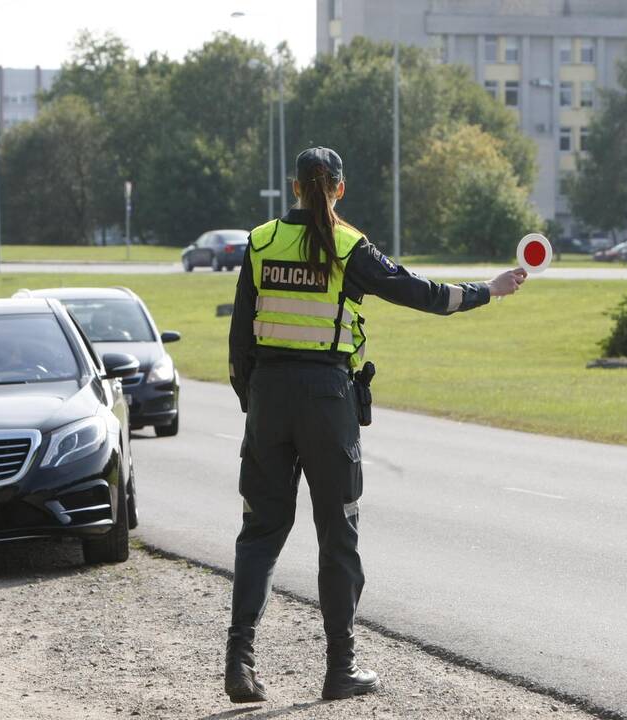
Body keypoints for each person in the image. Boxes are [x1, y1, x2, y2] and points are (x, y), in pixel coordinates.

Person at [225, 147, 526, 702]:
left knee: (260, 533)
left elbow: (240, 340)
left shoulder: (260, 241)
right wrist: (490, 290)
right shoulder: (349, 246)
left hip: (270, 397)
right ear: (340, 188)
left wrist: (256, 403)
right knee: (337, 536)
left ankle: (239, 661)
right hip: (327, 402)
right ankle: (341, 670)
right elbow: (423, 294)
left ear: (294, 187)